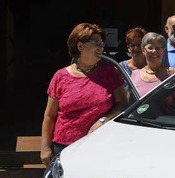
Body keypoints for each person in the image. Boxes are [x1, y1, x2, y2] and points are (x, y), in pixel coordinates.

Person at [40, 23, 128, 166]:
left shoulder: (109, 72)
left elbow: (123, 103)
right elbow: (49, 115)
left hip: (99, 145)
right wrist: (45, 148)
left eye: (102, 43)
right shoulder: (60, 76)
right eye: (96, 43)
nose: (101, 47)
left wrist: (103, 120)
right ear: (80, 46)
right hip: (64, 147)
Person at [130, 32, 175, 115]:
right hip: (140, 125)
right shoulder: (134, 75)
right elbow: (130, 106)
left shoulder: (172, 74)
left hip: (165, 125)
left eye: (158, 48)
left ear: (163, 50)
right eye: (150, 48)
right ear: (143, 50)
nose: (154, 51)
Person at [119, 27, 147, 92]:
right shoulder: (120, 68)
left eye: (139, 45)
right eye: (133, 45)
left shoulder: (152, 67)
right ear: (128, 47)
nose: (136, 48)